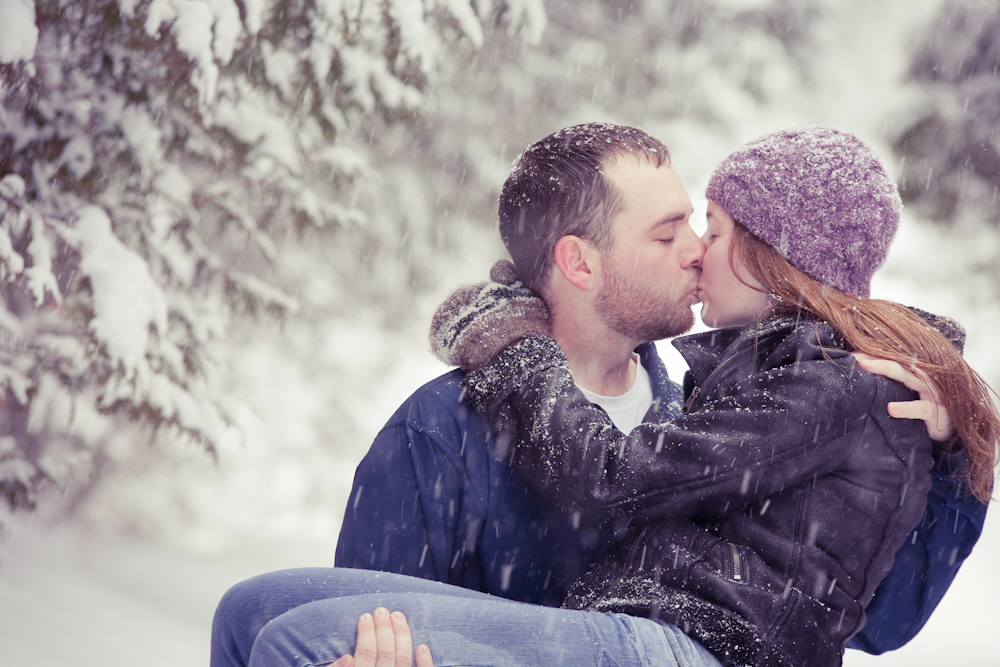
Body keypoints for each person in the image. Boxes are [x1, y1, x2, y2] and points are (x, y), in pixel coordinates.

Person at [210, 126, 991, 667]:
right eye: (670, 232)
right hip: (624, 636)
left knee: (296, 639)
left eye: (704, 227)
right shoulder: (444, 432)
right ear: (579, 263)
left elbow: (877, 613)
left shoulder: (715, 409)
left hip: (670, 647)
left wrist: (957, 450)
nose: (694, 251)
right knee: (249, 611)